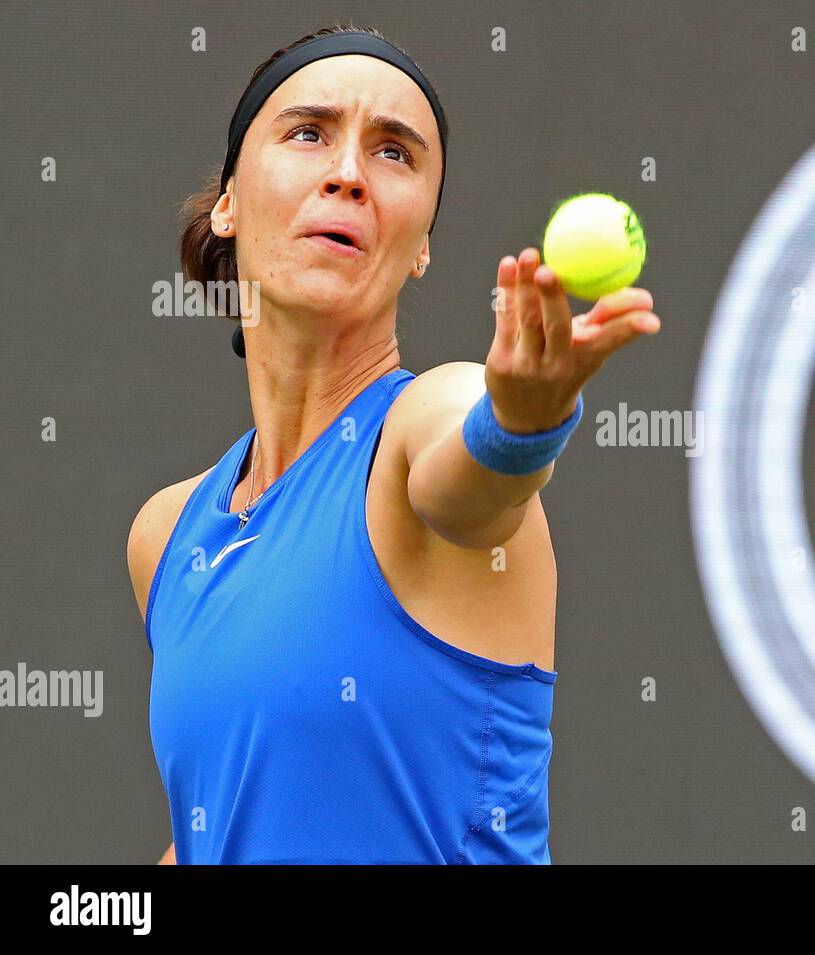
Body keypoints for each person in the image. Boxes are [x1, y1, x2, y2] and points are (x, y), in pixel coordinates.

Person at [125, 24, 660, 864]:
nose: (347, 173)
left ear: (422, 251)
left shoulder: (423, 423)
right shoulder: (167, 535)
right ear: (226, 201)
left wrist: (522, 421)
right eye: (309, 133)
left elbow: (470, 483)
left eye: (394, 154)